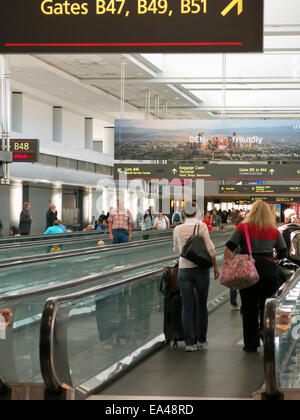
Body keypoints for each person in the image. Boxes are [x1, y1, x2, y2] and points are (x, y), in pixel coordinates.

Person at [224, 200, 288, 353]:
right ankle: (268, 339)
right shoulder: (273, 230)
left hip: (248, 270)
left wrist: (229, 265)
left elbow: (229, 248)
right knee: (268, 307)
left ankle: (251, 344)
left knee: (248, 307)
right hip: (269, 271)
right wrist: (274, 260)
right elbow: (283, 251)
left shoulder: (242, 227)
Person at [174, 200, 220, 352]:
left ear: (184, 212)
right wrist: (215, 267)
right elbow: (211, 249)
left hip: (184, 270)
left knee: (186, 307)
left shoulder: (177, 229)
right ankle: (201, 340)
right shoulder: (201, 226)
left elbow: (176, 250)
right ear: (196, 212)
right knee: (201, 305)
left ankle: (189, 343)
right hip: (200, 270)